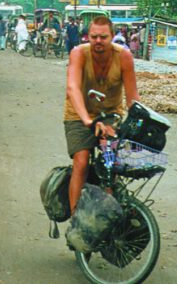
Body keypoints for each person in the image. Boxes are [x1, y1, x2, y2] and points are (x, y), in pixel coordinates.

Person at [63, 15, 139, 213]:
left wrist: (137, 125)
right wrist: (88, 121)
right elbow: (72, 88)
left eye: (103, 37)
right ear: (87, 36)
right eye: (94, 36)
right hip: (79, 113)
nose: (98, 41)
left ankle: (110, 209)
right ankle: (76, 217)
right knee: (81, 160)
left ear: (113, 36)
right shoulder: (78, 53)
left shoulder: (124, 57)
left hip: (109, 113)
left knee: (110, 158)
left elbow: (133, 98)